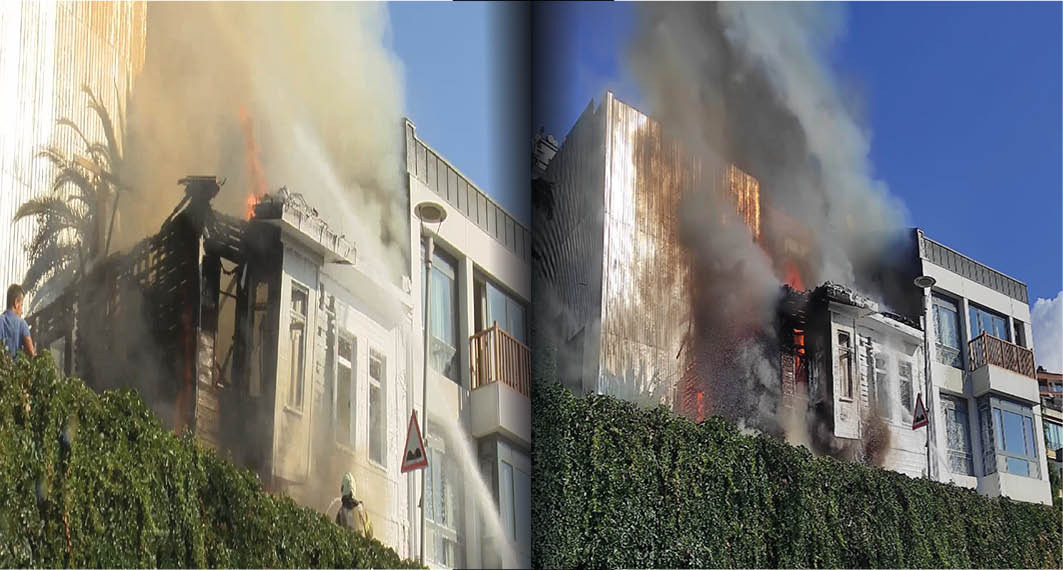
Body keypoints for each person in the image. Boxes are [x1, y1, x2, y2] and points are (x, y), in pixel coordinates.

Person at [1, 284, 35, 360]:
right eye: (22, 305)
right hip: (14, 370)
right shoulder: (22, 324)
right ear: (16, 303)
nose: (22, 312)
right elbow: (31, 353)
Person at [335, 472, 372, 538]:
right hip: (360, 547)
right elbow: (370, 534)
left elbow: (336, 536)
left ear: (343, 489)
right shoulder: (362, 510)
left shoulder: (340, 513)